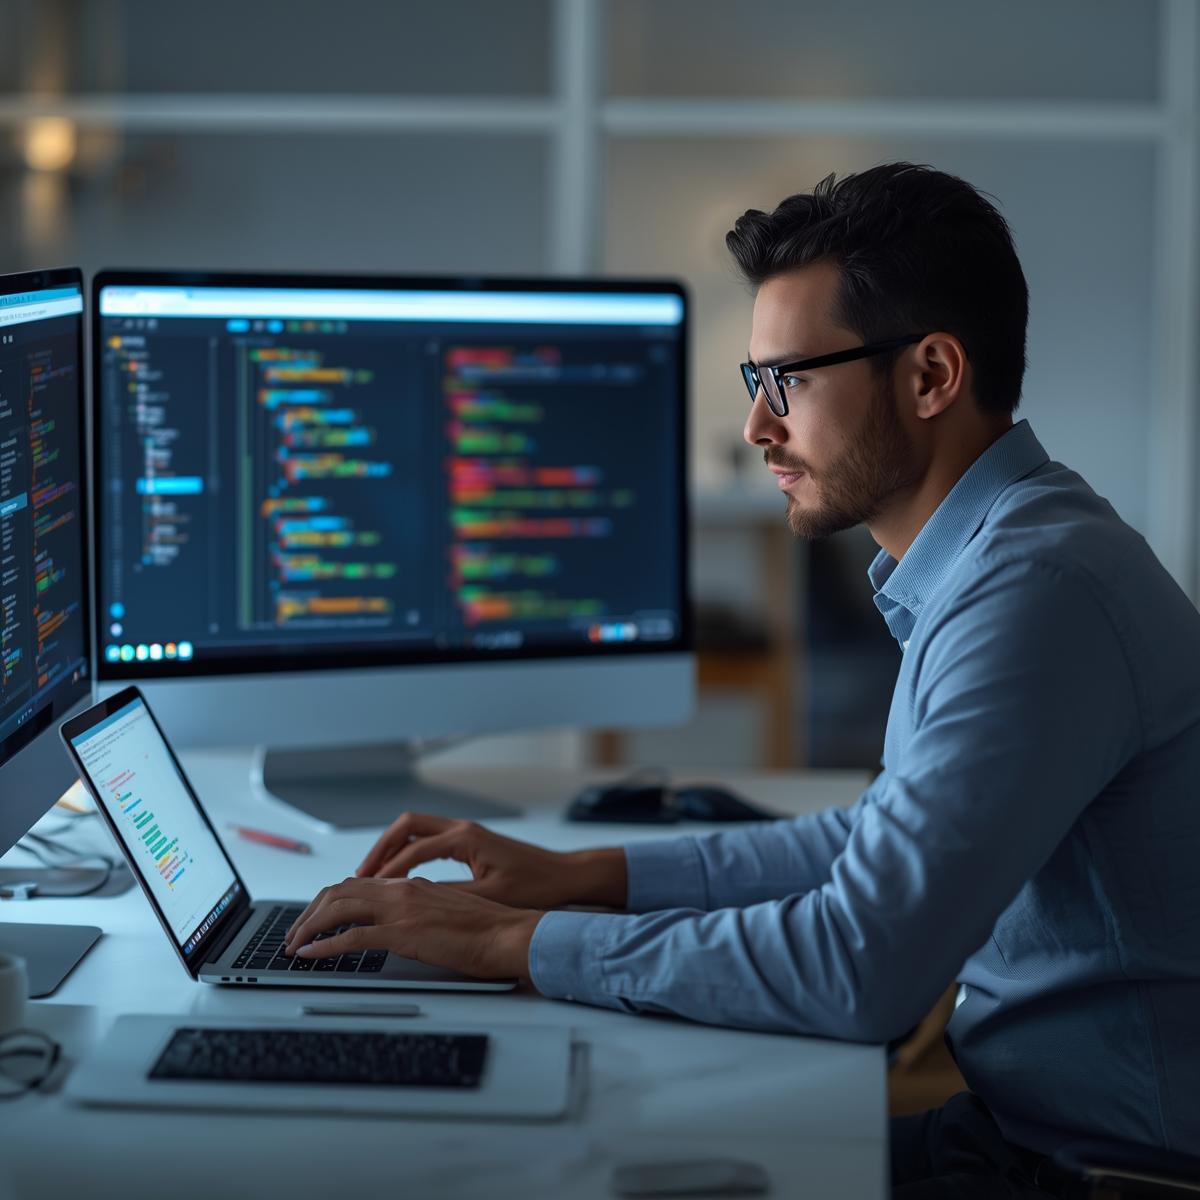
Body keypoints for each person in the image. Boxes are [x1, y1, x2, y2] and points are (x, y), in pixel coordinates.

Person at [285, 163, 1200, 1195]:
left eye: (790, 381)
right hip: (1034, 1134)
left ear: (932, 375)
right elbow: (877, 840)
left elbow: (859, 968)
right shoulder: (1005, 555)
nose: (762, 428)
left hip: (1096, 1171)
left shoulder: (1035, 592)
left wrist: (515, 941)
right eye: (753, 383)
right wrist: (588, 878)